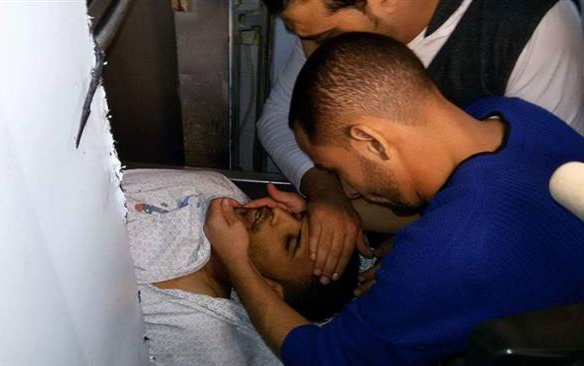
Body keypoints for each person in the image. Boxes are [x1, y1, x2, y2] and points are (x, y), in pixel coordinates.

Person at [206, 33, 584, 365]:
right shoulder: (511, 116)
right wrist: (335, 211)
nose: (349, 190)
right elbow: (491, 206)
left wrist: (238, 260)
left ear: (371, 141)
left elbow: (322, 357)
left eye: (337, 170)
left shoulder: (445, 254)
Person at [255, 0, 584, 286]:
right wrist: (325, 192)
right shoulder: (327, 21)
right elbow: (277, 120)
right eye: (302, 38)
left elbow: (545, 201)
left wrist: (422, 243)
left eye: (326, 37)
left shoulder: (530, 28)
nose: (315, 53)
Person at [123, 169, 359, 365]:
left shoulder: (202, 334)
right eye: (297, 215)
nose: (278, 213)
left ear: (268, 288)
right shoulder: (217, 190)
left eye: (290, 243)